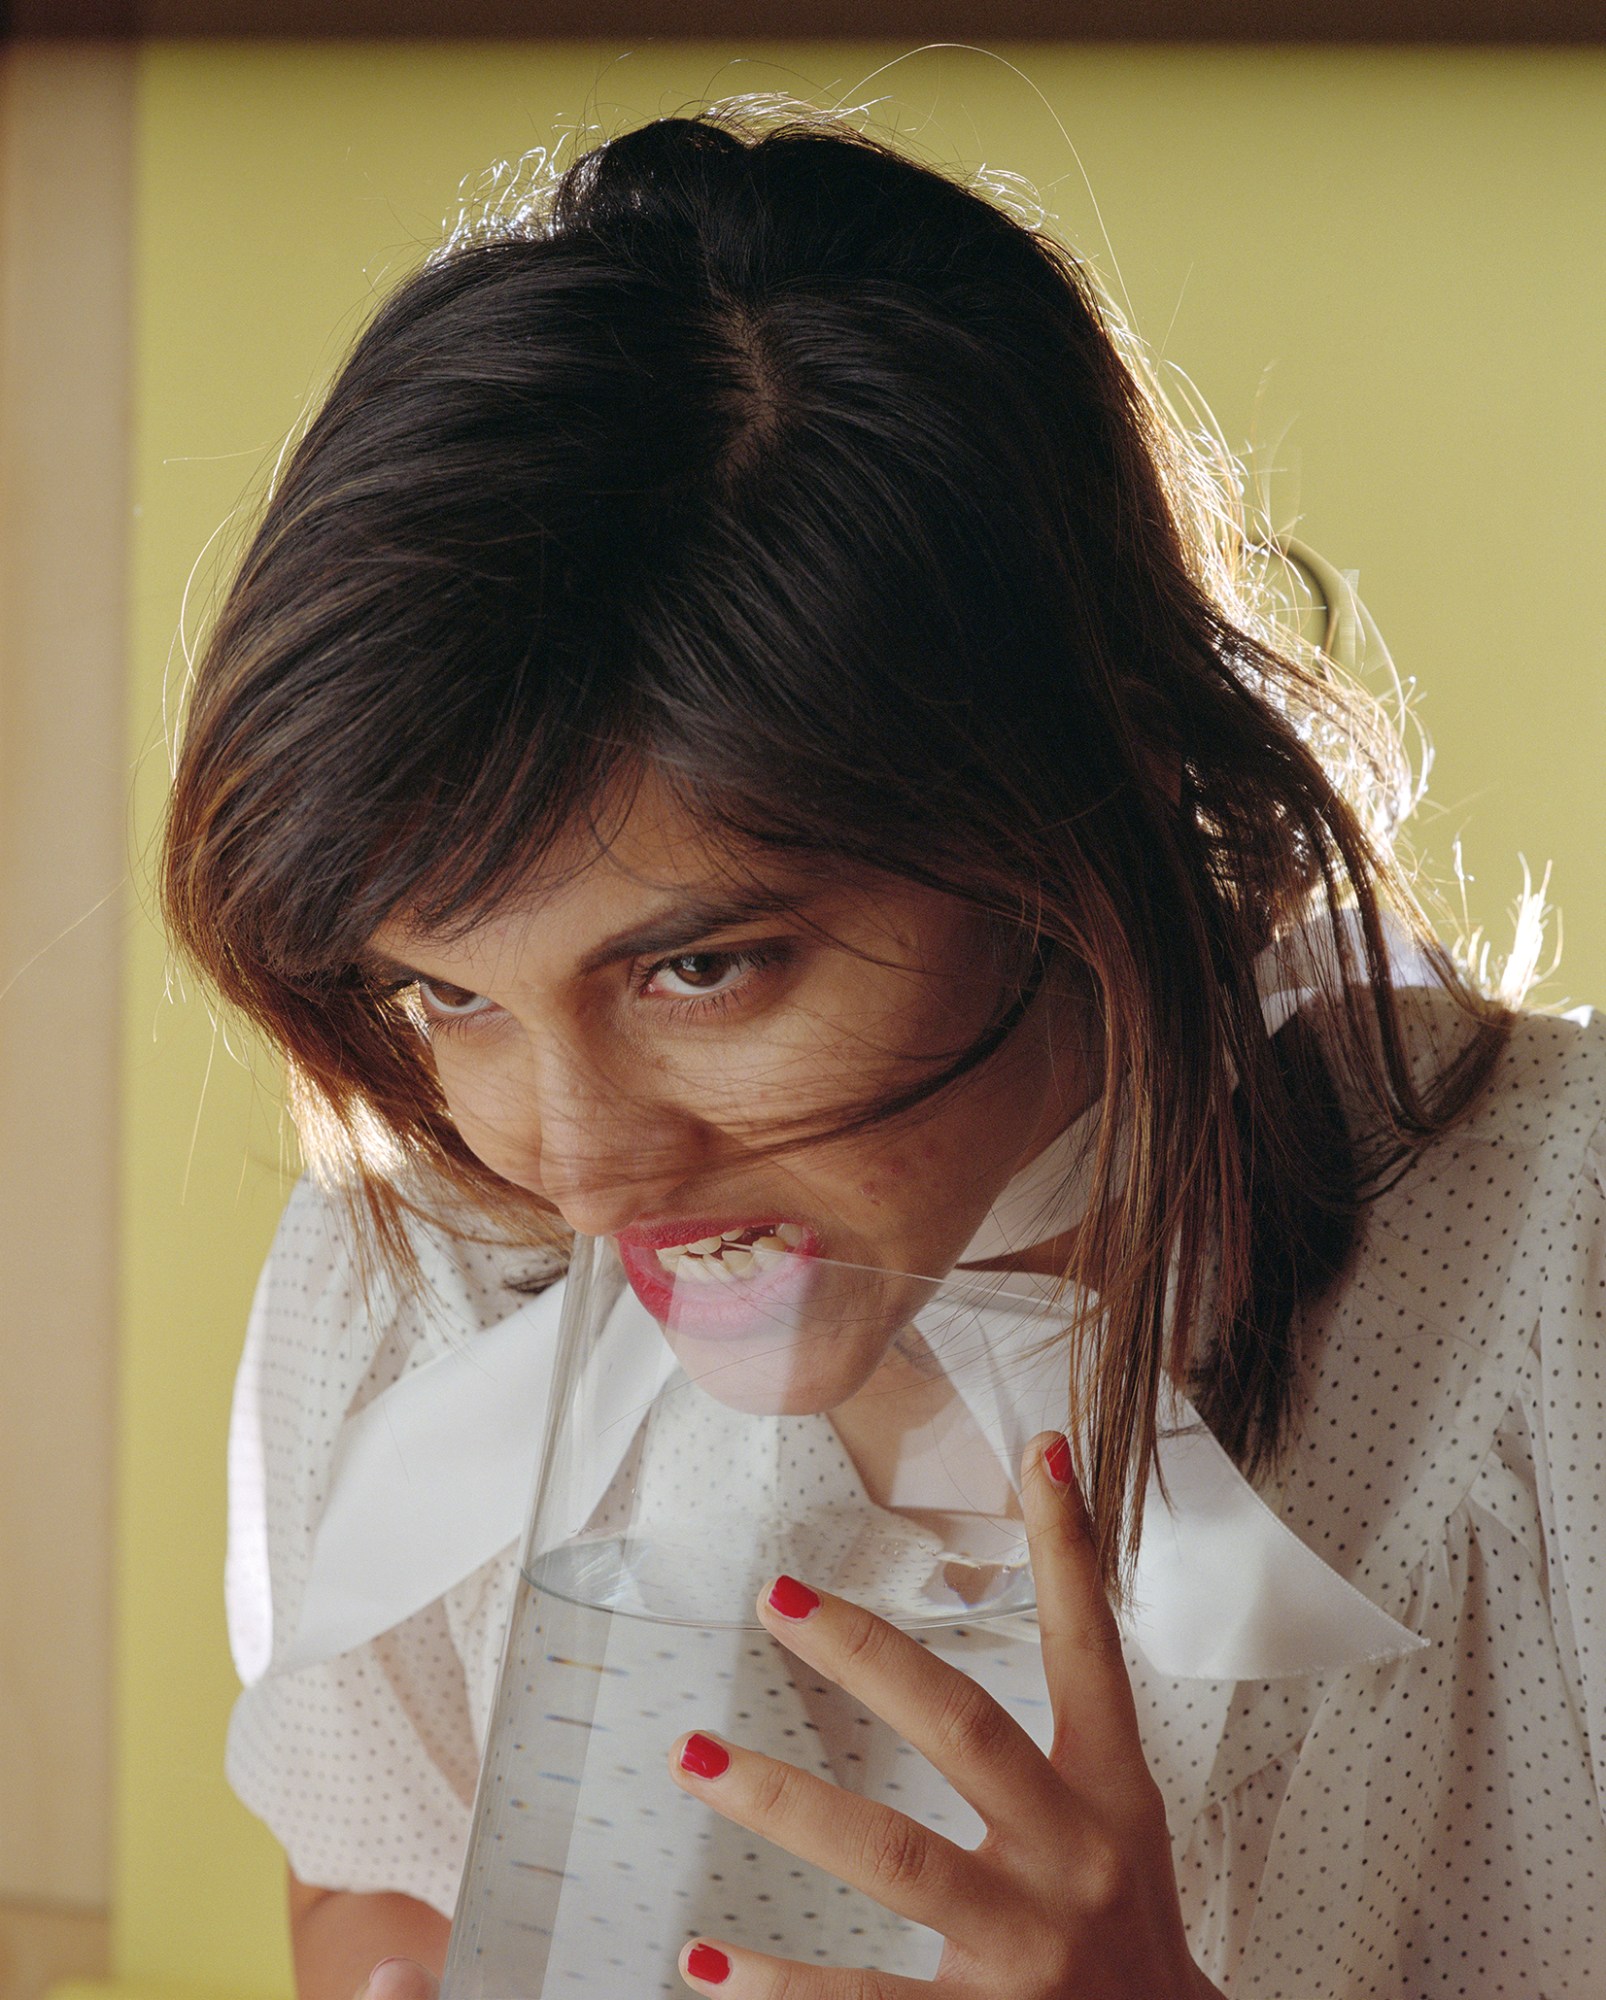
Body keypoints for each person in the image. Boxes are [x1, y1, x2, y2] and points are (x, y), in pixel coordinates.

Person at [159, 104, 1606, 2000]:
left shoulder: (1556, 1279)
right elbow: (373, 1888)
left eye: (703, 968)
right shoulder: (417, 1272)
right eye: (452, 993)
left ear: (1084, 807)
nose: (576, 1174)